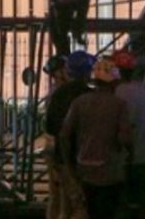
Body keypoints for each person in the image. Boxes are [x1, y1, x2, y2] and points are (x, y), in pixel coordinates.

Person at [61, 58, 131, 219]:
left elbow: (64, 135)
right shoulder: (119, 105)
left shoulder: (79, 102)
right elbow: (125, 138)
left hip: (84, 169)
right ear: (114, 82)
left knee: (90, 211)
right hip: (111, 170)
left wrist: (69, 166)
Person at [44, 51, 93, 219]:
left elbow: (50, 126)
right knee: (72, 201)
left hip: (58, 151)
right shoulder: (81, 93)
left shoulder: (57, 93)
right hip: (72, 152)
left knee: (59, 196)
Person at [110, 50, 145, 219]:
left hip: (123, 159)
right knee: (142, 207)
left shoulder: (116, 93)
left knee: (121, 207)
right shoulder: (142, 91)